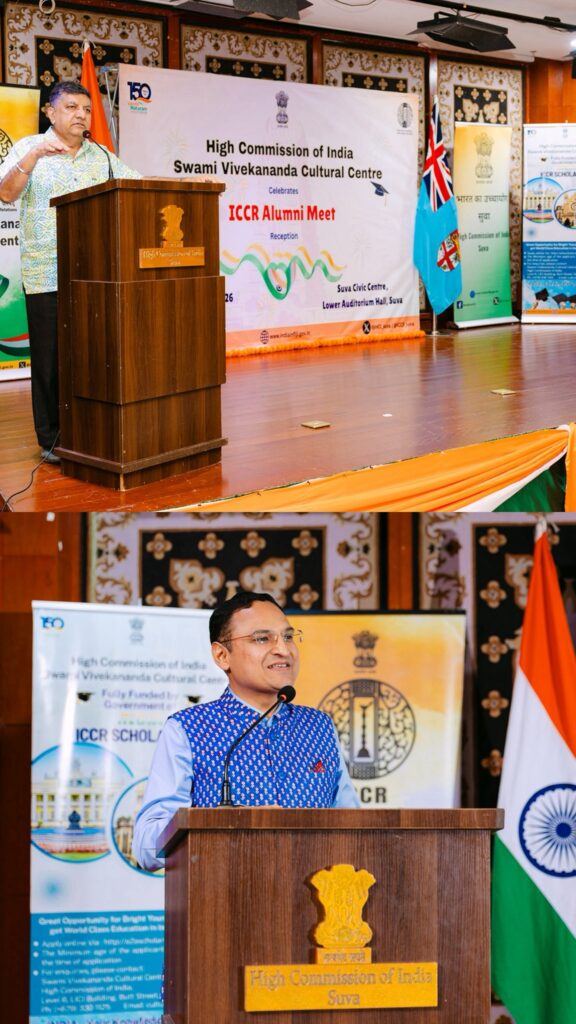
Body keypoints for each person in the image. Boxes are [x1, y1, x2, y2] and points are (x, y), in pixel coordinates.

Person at [133, 591, 360, 871]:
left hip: (314, 896)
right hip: (224, 894)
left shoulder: (319, 727)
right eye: (262, 639)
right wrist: (223, 825)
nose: (283, 649)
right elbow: (146, 846)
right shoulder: (187, 730)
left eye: (288, 636)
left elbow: (355, 830)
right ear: (222, 655)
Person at [0, 81, 141, 463]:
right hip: (45, 271)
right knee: (49, 361)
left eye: (87, 109)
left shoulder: (102, 156)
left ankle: (89, 430)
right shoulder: (29, 147)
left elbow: (137, 184)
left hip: (93, 274)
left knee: (91, 354)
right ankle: (51, 439)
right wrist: (35, 157)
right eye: (72, 107)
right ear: (50, 112)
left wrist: (188, 183)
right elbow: (6, 193)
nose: (81, 114)